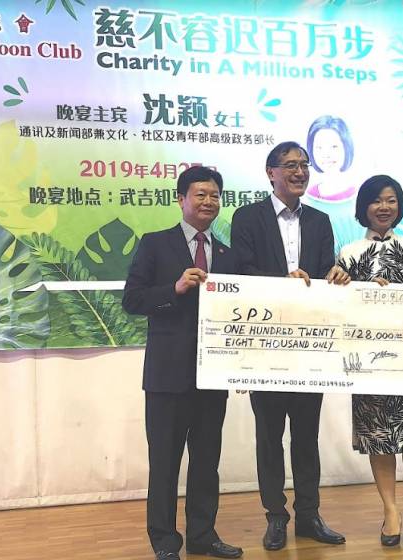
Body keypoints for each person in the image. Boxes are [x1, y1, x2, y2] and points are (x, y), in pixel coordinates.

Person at [230, 141, 350, 551]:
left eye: (304, 165)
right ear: (271, 173)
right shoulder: (247, 217)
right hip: (265, 344)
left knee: (306, 435)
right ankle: (275, 517)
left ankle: (309, 515)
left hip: (309, 345)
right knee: (269, 436)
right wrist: (282, 283)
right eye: (291, 165)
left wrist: (334, 274)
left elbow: (324, 270)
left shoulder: (320, 220)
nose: (300, 172)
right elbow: (242, 271)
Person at [122, 166, 243, 560]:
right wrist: (173, 289)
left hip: (212, 376)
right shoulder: (156, 244)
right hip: (167, 376)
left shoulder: (228, 255)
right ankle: (164, 542)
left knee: (207, 462)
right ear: (181, 199)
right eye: (200, 194)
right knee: (165, 464)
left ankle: (203, 536)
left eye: (214, 195)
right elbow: (132, 300)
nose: (208, 202)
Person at [336, 175, 403, 547]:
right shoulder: (349, 252)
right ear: (363, 206)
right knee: (379, 437)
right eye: (377, 200)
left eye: (391, 200)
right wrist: (351, 287)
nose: (384, 207)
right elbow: (340, 304)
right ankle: (390, 511)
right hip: (368, 358)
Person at [303, 115, 364, 253]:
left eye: (334, 147)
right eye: (319, 147)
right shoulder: (305, 201)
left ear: (346, 147)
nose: (326, 154)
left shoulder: (362, 198)